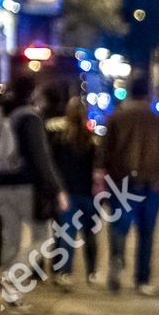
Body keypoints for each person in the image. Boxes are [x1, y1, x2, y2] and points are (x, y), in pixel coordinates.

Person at [100, 76, 159, 296]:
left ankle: (117, 258)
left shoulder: (116, 118)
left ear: (129, 92)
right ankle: (142, 280)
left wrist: (100, 176)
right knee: (147, 232)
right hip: (152, 183)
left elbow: (104, 151)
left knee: (119, 226)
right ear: (149, 94)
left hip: (122, 182)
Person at [0, 75, 67, 312]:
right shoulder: (30, 117)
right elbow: (41, 158)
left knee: (11, 242)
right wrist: (57, 189)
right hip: (25, 188)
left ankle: (10, 294)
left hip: (2, 185)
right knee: (44, 238)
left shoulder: (5, 113)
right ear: (32, 91)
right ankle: (10, 278)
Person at [42, 92, 101, 288]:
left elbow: (55, 166)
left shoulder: (60, 140)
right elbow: (96, 168)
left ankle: (64, 272)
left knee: (67, 235)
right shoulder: (91, 140)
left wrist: (58, 191)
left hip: (67, 193)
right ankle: (92, 272)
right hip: (88, 194)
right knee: (90, 235)